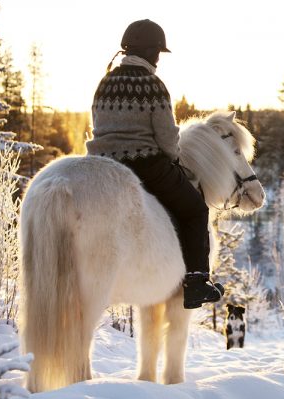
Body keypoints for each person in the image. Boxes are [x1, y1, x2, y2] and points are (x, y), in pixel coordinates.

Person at [86, 19, 224, 309]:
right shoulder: (153, 85)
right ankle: (197, 283)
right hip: (145, 165)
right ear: (150, 51)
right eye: (158, 53)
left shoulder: (104, 81)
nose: (159, 59)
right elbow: (166, 136)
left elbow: (97, 125)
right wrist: (174, 158)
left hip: (101, 166)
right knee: (195, 209)